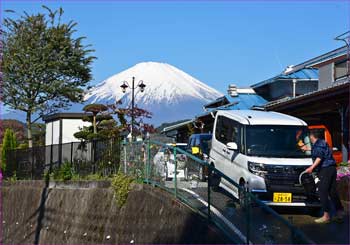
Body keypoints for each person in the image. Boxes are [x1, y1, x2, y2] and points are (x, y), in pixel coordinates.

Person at [304, 129, 344, 224]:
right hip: (331, 169)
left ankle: (326, 216)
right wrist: (308, 149)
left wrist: (311, 168)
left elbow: (319, 157)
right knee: (332, 191)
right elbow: (320, 151)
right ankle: (339, 213)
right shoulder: (320, 143)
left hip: (326, 169)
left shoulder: (318, 144)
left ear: (311, 136)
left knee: (322, 190)